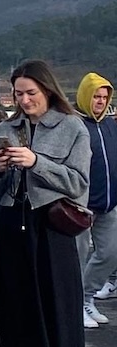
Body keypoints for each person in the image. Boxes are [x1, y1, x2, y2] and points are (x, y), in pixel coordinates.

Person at [0, 60, 90, 347]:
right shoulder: (5, 128)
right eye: (18, 93)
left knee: (56, 316)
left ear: (47, 89)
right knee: (16, 317)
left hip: (52, 228)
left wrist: (36, 162)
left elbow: (79, 184)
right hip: (13, 225)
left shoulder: (73, 127)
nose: (25, 99)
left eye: (31, 92)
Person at [74, 72, 117, 328]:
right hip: (81, 204)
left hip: (110, 204)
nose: (100, 101)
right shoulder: (75, 124)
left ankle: (87, 297)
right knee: (77, 257)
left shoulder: (110, 125)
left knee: (110, 253)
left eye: (104, 96)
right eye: (96, 96)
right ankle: (76, 304)